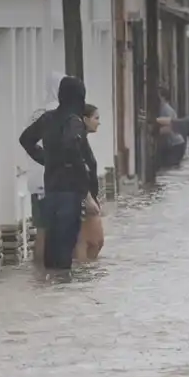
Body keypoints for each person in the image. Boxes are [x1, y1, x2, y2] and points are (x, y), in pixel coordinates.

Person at [18, 75, 93, 269]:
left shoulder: (47, 118)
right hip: (70, 192)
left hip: (51, 190)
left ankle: (53, 293)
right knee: (65, 249)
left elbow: (25, 139)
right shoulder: (74, 121)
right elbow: (72, 147)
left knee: (51, 250)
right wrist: (86, 190)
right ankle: (64, 291)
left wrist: (47, 159)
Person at [75, 104, 105, 262]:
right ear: (85, 119)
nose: (98, 122)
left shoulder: (83, 140)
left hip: (89, 196)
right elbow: (79, 170)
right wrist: (87, 198)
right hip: (83, 197)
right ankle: (82, 273)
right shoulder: (78, 141)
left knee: (96, 241)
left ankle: (86, 277)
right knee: (88, 241)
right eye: (96, 118)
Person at [155, 90, 187, 169]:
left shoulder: (166, 109)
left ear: (163, 98)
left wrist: (156, 131)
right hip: (175, 144)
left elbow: (171, 126)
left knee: (170, 167)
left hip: (175, 145)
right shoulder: (165, 108)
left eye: (159, 96)